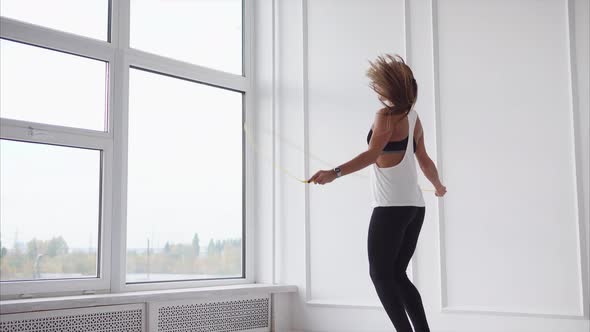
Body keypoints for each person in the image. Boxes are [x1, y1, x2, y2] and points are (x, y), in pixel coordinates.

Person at [307, 54, 446, 332]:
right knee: (396, 273)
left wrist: (334, 173)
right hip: (415, 208)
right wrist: (438, 185)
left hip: (391, 208)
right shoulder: (414, 117)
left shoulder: (385, 116)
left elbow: (372, 154)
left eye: (379, 84)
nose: (376, 89)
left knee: (380, 274)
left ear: (390, 88)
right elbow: (424, 159)